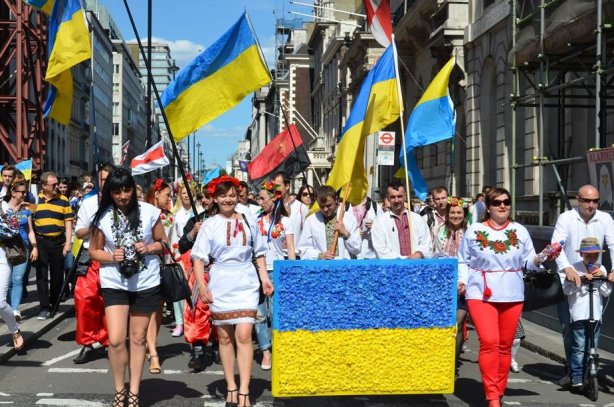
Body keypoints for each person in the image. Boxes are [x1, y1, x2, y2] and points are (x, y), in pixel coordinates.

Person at [191, 175, 273, 407]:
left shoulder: (249, 220)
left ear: (238, 196)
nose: (227, 199)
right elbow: (198, 258)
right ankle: (231, 386)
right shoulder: (209, 224)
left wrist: (265, 279)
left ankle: (245, 389)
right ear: (215, 198)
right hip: (221, 282)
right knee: (225, 338)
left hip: (246, 280)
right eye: (222, 195)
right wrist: (202, 285)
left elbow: (259, 252)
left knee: (244, 335)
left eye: (231, 195)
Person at [89, 167, 167, 407]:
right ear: (109, 193)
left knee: (138, 338)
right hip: (115, 282)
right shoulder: (102, 217)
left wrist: (149, 248)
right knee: (115, 340)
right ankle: (119, 389)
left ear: (133, 189)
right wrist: (112, 257)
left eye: (127, 190)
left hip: (145, 281)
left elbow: (163, 243)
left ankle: (133, 391)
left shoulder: (150, 211)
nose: (123, 196)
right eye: (117, 192)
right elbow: (94, 251)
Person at [458, 187, 542, 407]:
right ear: (488, 207)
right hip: (481, 293)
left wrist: (540, 259)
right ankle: (492, 397)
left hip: (512, 294)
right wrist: (463, 281)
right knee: (489, 342)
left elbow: (529, 262)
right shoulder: (475, 230)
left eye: (506, 201)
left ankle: (499, 390)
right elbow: (462, 260)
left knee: (505, 346)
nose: (502, 206)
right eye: (497, 202)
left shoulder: (519, 231)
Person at [551, 184, 614, 387]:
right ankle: (573, 370)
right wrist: (567, 268)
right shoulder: (566, 218)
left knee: (591, 332)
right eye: (587, 201)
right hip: (569, 279)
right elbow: (557, 246)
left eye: (595, 201)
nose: (591, 205)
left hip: (593, 280)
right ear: (578, 200)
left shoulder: (605, 219)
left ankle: (586, 370)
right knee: (568, 329)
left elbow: (613, 244)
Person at [72, 164, 113, 364]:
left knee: (110, 303)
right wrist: (93, 226)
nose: (105, 183)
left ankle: (108, 341)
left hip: (113, 258)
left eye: (109, 179)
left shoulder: (123, 201)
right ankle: (87, 344)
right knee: (84, 300)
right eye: (102, 179)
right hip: (90, 258)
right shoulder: (89, 203)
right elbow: (79, 232)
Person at [254, 180, 296, 371]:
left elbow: (291, 249)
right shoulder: (256, 220)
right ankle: (266, 351)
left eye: (263, 198)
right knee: (259, 314)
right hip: (258, 271)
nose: (260, 202)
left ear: (273, 198)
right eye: (259, 198)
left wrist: (292, 273)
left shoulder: (286, 221)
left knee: (275, 313)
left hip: (277, 271)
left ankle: (279, 347)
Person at [563, 237, 611, 389]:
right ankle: (577, 375)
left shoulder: (601, 268)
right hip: (579, 313)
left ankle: (591, 372)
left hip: (595, 314)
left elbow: (605, 292)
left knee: (593, 346)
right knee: (579, 346)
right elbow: (567, 290)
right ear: (581, 254)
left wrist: (602, 278)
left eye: (595, 255)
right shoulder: (574, 268)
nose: (592, 258)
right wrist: (581, 279)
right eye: (588, 255)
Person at [432, 196, 468, 370]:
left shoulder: (471, 232)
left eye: (459, 212)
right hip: (443, 283)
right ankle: (441, 360)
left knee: (458, 322)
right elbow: (433, 253)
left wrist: (463, 280)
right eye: (452, 212)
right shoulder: (439, 230)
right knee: (444, 324)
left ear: (464, 214)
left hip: (464, 284)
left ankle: (453, 363)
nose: (455, 216)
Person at [33, 171, 73, 320]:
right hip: (41, 241)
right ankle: (44, 307)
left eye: (57, 183)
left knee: (57, 276)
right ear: (44, 186)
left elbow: (68, 223)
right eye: (54, 184)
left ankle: (54, 302)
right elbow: (30, 222)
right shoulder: (35, 200)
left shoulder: (64, 200)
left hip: (58, 242)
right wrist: (33, 245)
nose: (57, 186)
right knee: (41, 275)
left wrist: (67, 244)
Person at [143, 178, 173, 374]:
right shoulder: (143, 213)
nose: (169, 199)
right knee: (148, 310)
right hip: (145, 266)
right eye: (167, 195)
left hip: (164, 265)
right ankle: (152, 351)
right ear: (156, 194)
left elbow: (171, 241)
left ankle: (150, 344)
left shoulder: (169, 216)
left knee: (158, 310)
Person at [371, 181, 432, 259]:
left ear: (405, 197)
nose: (396, 200)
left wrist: (419, 254)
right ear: (388, 198)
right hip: (392, 265)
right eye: (393, 197)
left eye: (399, 196)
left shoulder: (417, 219)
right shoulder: (379, 222)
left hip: (417, 264)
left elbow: (426, 243)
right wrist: (403, 259)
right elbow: (380, 249)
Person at [5, 176, 38, 321]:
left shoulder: (26, 210)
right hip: (6, 247)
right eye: (22, 192)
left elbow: (30, 231)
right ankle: (6, 308)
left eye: (25, 192)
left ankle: (15, 309)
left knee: (18, 279)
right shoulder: (3, 207)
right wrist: (16, 210)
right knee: (7, 281)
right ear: (13, 193)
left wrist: (34, 247)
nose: (24, 195)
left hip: (23, 247)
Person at [297, 186, 361, 260]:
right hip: (322, 266)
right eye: (322, 206)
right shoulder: (311, 221)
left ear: (336, 200)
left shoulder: (348, 218)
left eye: (328, 205)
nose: (325, 209)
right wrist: (321, 256)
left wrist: (345, 233)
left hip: (345, 265)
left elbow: (357, 249)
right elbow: (303, 250)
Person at [0, 191, 24, 351]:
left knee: (0, 302)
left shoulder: (3, 206)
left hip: (2, 257)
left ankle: (14, 329)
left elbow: (13, 229)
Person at [272, 171, 307, 257]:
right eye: (273, 186)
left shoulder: (301, 207)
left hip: (295, 256)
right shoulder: (272, 207)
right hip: (276, 257)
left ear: (287, 186)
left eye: (278, 186)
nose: (275, 189)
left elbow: (306, 234)